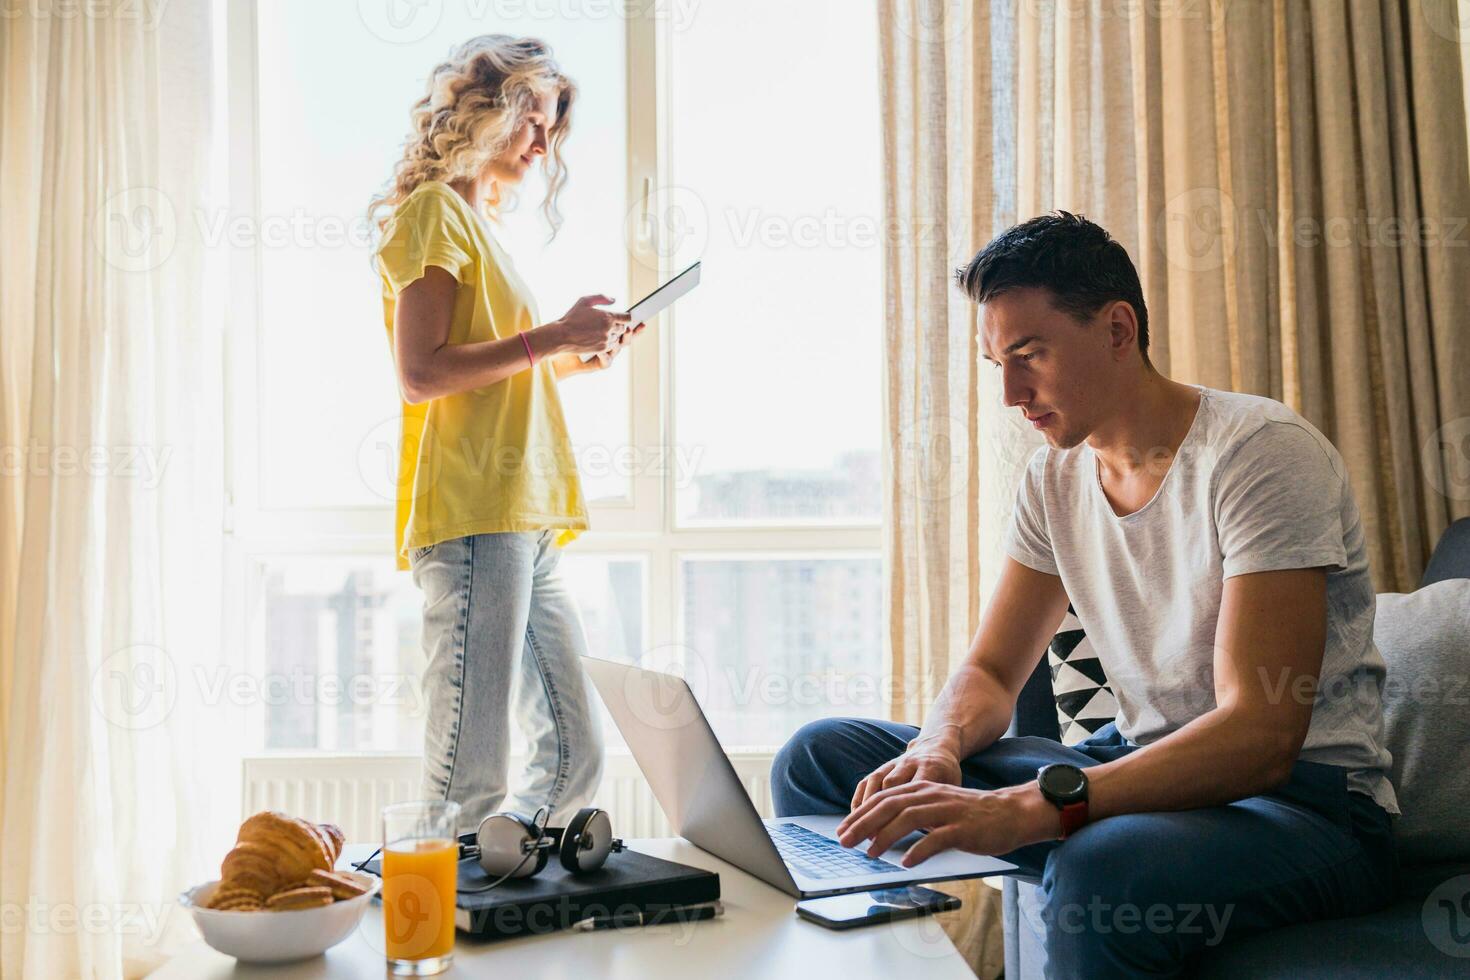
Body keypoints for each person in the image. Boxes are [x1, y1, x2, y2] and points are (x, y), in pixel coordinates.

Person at [771, 212, 1398, 977]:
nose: (1010, 393)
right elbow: (994, 673)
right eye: (997, 362)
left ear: (1117, 328)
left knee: (1102, 867)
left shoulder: (1258, 455)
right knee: (821, 761)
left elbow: (1259, 738)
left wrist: (1032, 807)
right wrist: (936, 745)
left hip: (1302, 811)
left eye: (1029, 354)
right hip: (1143, 768)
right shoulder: (1054, 478)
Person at [369, 36, 644, 832]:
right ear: (482, 110)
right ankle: (441, 935)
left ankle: (507, 905)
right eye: (533, 117)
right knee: (469, 775)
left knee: (573, 756)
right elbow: (423, 373)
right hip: (474, 514)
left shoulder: (478, 226)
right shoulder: (433, 216)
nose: (542, 142)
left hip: (526, 517)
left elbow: (489, 372)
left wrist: (572, 360)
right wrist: (556, 336)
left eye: (552, 128)